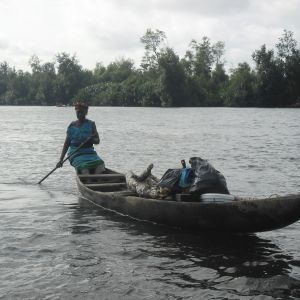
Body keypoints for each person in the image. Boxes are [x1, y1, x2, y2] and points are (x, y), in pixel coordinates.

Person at [56, 101, 105, 174]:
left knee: (100, 166)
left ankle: (96, 180)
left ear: (86, 113)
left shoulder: (91, 124)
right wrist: (61, 160)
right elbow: (66, 144)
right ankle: (89, 180)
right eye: (78, 112)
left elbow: (97, 141)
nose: (80, 114)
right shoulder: (72, 126)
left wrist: (91, 139)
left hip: (89, 152)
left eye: (82, 112)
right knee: (85, 170)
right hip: (75, 153)